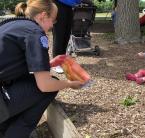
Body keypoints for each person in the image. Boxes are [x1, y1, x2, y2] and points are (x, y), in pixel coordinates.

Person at [0, 0, 84, 138]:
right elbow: (45, 86)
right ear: (43, 16)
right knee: (50, 87)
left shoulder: (14, 25)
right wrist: (70, 84)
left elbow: (12, 65)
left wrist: (49, 64)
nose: (52, 25)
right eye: (53, 20)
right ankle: (13, 133)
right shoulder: (35, 33)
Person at [52, 0, 92, 73]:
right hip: (58, 5)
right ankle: (56, 63)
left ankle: (62, 60)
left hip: (69, 6)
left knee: (66, 34)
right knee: (59, 35)